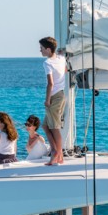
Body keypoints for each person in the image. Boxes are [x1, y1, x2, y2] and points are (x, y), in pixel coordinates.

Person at [39, 36, 67, 165]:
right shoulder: (61, 59)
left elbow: (50, 83)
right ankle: (55, 151)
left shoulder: (47, 63)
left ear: (48, 49)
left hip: (54, 97)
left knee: (54, 128)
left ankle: (58, 155)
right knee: (45, 125)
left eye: (42, 48)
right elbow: (65, 70)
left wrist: (47, 100)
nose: (40, 50)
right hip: (61, 95)